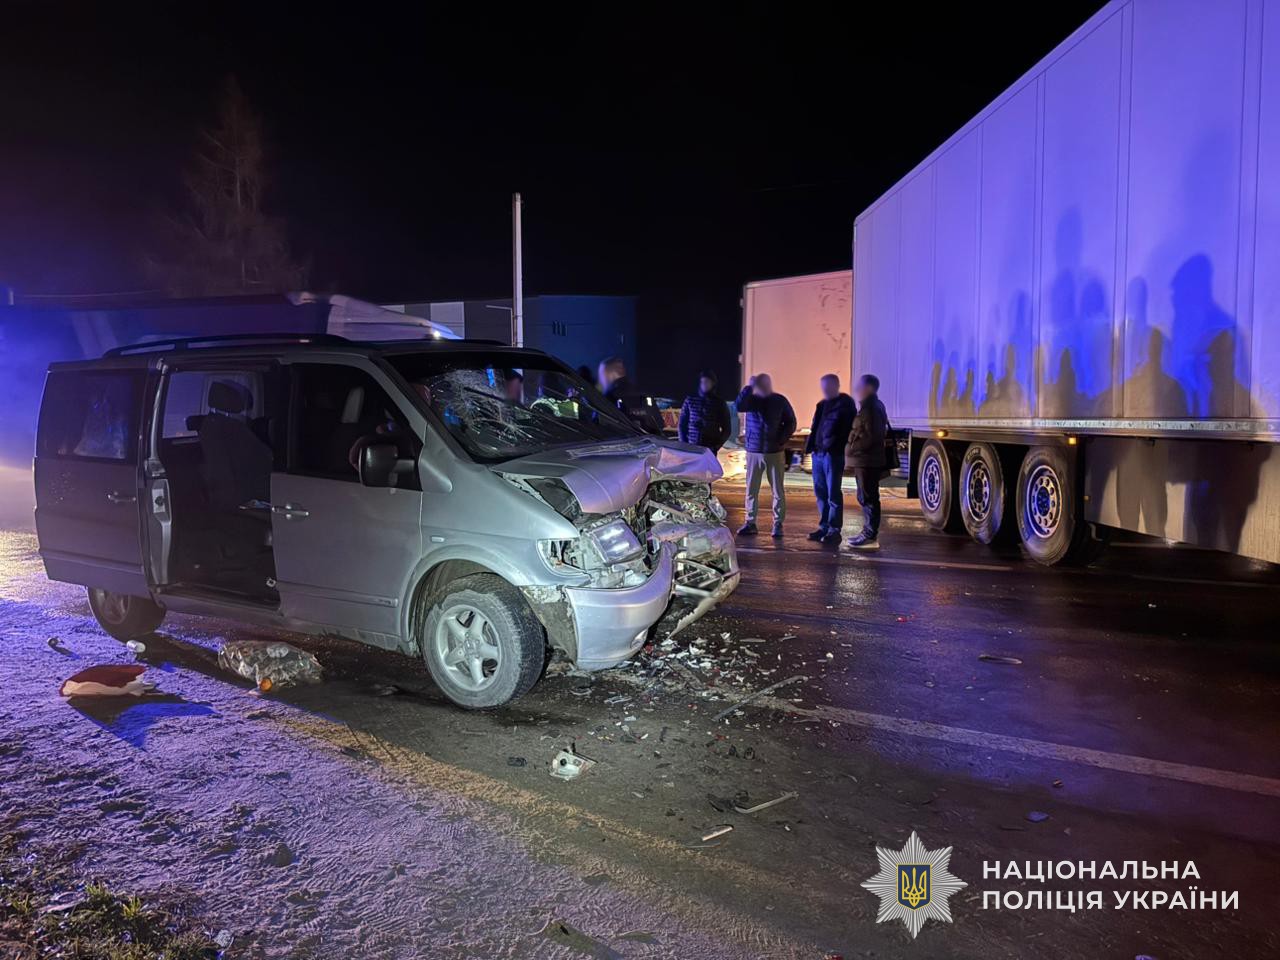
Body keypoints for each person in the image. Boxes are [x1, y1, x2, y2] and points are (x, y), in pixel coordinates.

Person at [734, 373, 796, 537]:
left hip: (774, 451)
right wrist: (749, 387)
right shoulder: (752, 400)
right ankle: (750, 522)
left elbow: (791, 422)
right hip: (754, 450)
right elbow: (738, 406)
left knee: (777, 490)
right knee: (751, 489)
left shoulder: (779, 400)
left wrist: (781, 440)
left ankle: (777, 523)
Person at [804, 374, 856, 544]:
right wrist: (811, 448)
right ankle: (824, 527)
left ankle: (834, 530)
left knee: (833, 493)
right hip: (818, 454)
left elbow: (847, 430)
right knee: (821, 492)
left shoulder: (845, 405)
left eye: (827, 386)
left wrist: (836, 446)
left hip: (832, 455)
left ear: (836, 386)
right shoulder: (822, 405)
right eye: (823, 387)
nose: (824, 390)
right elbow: (816, 428)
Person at [845, 373, 889, 550]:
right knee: (866, 496)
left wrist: (852, 448)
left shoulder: (871, 408)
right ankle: (868, 533)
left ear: (869, 388)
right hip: (865, 460)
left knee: (868, 497)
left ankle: (870, 536)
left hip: (867, 460)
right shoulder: (870, 406)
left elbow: (871, 436)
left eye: (860, 386)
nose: (856, 389)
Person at [597, 356, 664, 434]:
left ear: (609, 373)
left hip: (620, 443)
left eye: (601, 375)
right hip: (649, 443)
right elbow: (659, 424)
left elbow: (597, 425)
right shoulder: (644, 394)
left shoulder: (608, 397)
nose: (601, 379)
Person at [677, 369, 730, 452]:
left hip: (709, 449)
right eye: (703, 382)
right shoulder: (690, 400)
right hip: (692, 447)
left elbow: (727, 429)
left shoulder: (719, 403)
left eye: (708, 382)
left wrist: (716, 447)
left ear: (713, 384)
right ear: (699, 383)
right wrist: (684, 444)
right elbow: (681, 425)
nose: (705, 384)